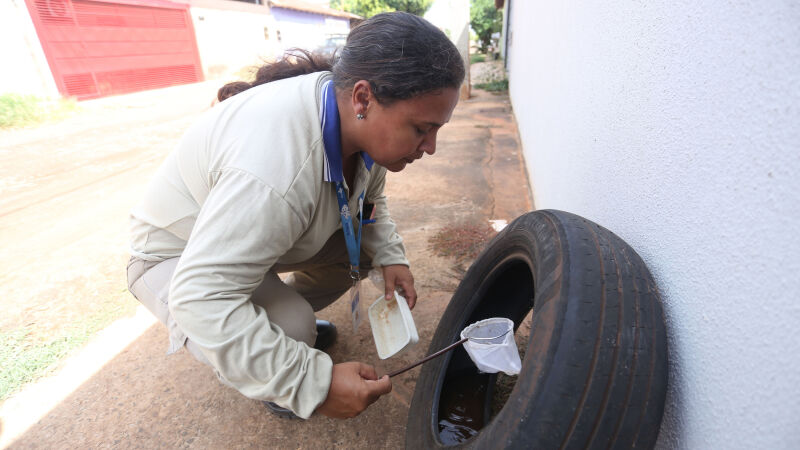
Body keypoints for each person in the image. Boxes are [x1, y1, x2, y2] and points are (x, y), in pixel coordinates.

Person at [126, 11, 465, 420]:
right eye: (420, 129)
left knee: (357, 257)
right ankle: (277, 347)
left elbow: (369, 204)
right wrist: (308, 383)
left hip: (248, 232)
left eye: (436, 130)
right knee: (291, 324)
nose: (430, 147)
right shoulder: (275, 170)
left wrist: (390, 255)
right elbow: (200, 297)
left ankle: (267, 337)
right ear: (363, 98)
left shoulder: (353, 122)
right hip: (176, 255)